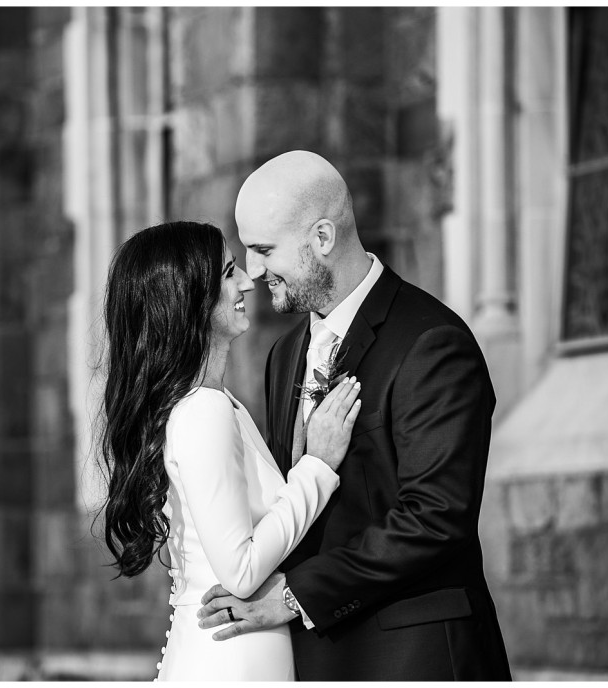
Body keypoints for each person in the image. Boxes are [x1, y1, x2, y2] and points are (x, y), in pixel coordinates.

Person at [197, 151, 513, 680]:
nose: (251, 273)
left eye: (264, 250)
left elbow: (435, 517)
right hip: (319, 658)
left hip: (414, 656)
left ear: (322, 238)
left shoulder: (431, 343)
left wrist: (297, 595)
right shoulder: (285, 352)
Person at [98, 220, 362, 681]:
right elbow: (240, 571)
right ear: (187, 298)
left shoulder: (215, 403)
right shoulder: (204, 409)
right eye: (227, 273)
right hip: (230, 659)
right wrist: (318, 467)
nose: (246, 281)